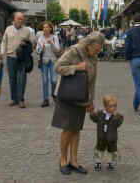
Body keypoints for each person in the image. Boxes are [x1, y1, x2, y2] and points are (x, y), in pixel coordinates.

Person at [52, 32, 104, 176]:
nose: (98, 51)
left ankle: (74, 161)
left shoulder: (94, 57)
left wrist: (90, 100)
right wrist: (77, 67)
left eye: (100, 49)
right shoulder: (74, 51)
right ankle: (63, 160)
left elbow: (92, 81)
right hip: (67, 95)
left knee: (76, 129)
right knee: (67, 129)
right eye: (97, 49)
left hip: (81, 97)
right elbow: (58, 67)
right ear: (89, 44)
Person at [0, 12, 35, 108]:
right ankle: (13, 99)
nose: (21, 20)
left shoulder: (27, 30)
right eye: (19, 18)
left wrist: (27, 43)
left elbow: (33, 43)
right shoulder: (8, 29)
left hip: (22, 59)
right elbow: (4, 42)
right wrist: (2, 52)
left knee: (22, 79)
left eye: (22, 19)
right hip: (11, 57)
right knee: (12, 79)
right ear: (14, 19)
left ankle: (21, 99)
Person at [90, 95, 124, 171]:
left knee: (112, 151)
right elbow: (93, 118)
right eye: (111, 106)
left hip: (112, 138)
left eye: (115, 106)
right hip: (101, 137)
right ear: (105, 106)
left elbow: (118, 123)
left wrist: (117, 117)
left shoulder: (117, 116)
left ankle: (111, 163)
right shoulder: (100, 114)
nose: (114, 108)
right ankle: (97, 163)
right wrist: (92, 112)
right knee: (99, 150)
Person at [36, 22, 61, 107]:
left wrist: (52, 43)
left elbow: (58, 50)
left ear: (50, 29)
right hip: (44, 62)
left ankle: (54, 94)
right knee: (45, 81)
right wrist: (42, 47)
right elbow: (37, 51)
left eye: (47, 27)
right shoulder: (40, 38)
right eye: (44, 27)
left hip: (53, 61)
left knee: (54, 80)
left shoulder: (55, 37)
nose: (45, 29)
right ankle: (45, 99)